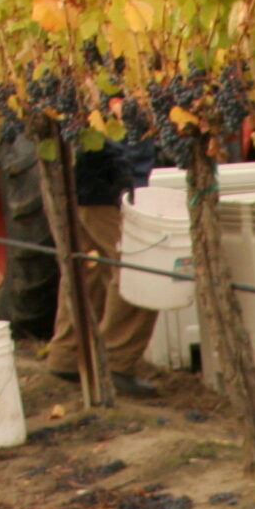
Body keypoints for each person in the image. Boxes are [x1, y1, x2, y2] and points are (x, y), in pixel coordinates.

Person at [45, 138, 162, 397]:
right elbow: (120, 140)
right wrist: (133, 184)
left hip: (84, 183)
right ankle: (115, 362)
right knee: (140, 266)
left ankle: (68, 355)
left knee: (88, 268)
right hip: (109, 186)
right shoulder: (116, 101)